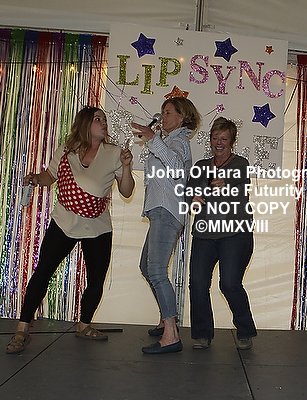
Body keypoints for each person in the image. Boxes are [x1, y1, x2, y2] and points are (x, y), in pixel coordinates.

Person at [6, 106, 135, 354]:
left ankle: (84, 325)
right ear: (85, 124)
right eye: (98, 119)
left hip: (97, 226)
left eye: (104, 119)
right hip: (64, 221)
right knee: (43, 272)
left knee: (96, 280)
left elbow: (127, 191)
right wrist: (36, 178)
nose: (104, 122)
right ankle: (22, 329)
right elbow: (50, 176)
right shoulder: (67, 150)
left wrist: (127, 166)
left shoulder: (114, 153)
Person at [131, 97, 201, 354]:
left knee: (157, 270)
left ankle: (171, 334)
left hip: (167, 210)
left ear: (182, 118)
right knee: (147, 266)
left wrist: (153, 138)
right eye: (162, 112)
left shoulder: (178, 141)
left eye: (168, 112)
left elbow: (176, 168)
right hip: (160, 210)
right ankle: (165, 318)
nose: (162, 117)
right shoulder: (167, 140)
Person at [185, 117, 257, 350]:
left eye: (224, 138)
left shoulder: (240, 164)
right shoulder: (201, 166)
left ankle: (245, 331)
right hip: (204, 235)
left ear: (232, 141)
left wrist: (224, 186)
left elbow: (240, 190)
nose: (219, 142)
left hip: (235, 235)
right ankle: (202, 334)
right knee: (197, 284)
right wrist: (192, 198)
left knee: (229, 284)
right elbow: (189, 193)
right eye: (215, 137)